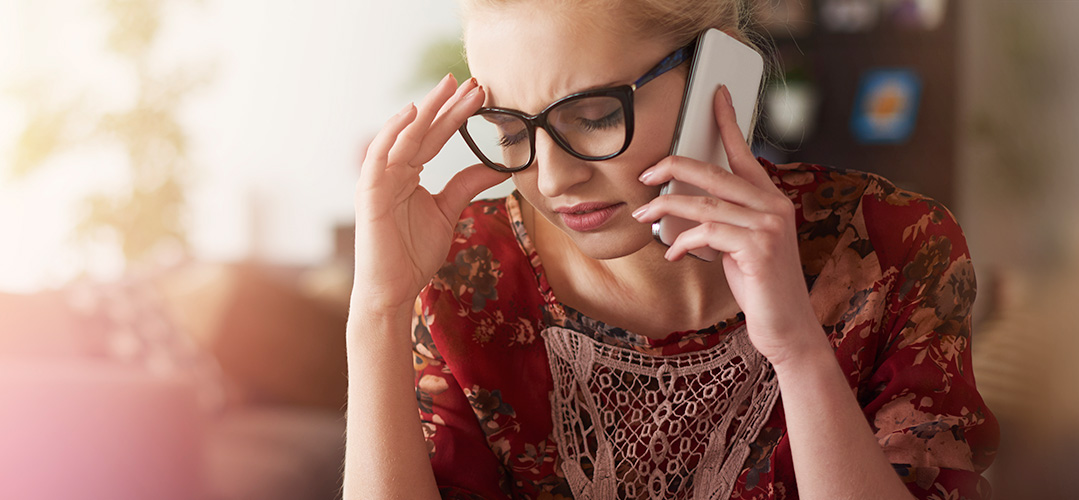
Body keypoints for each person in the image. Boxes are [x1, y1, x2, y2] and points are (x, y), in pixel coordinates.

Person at [341, 0, 998, 499]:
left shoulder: (899, 246)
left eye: (594, 115)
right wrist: (377, 308)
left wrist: (799, 352)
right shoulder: (463, 275)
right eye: (511, 128)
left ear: (721, 75)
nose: (551, 178)